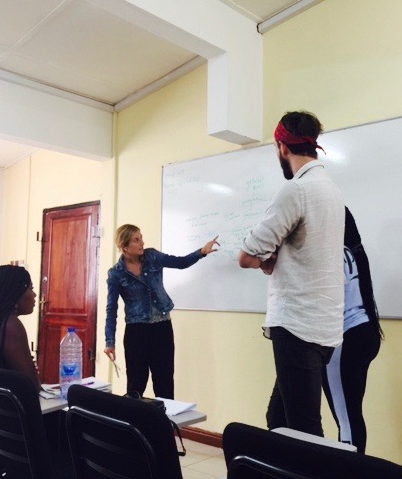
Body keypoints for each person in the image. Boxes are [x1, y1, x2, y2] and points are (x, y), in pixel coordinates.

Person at [238, 111, 345, 437]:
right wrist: (274, 259)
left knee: (303, 429)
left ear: (282, 147)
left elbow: (246, 255)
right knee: (279, 417)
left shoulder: (296, 191)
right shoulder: (330, 190)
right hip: (323, 325)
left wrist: (264, 261)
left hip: (297, 325)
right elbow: (307, 251)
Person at [104, 224, 219, 399]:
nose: (142, 242)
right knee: (136, 386)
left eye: (141, 237)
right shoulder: (116, 274)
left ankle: (165, 425)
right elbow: (111, 308)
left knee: (164, 383)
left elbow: (180, 263)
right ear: (124, 246)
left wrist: (201, 252)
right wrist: (109, 341)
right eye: (136, 240)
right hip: (137, 332)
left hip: (162, 328)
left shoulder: (152, 256)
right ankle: (135, 425)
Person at [322, 207, 383, 453]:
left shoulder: (329, 255)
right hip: (366, 332)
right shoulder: (354, 252)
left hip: (343, 341)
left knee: (345, 421)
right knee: (353, 413)